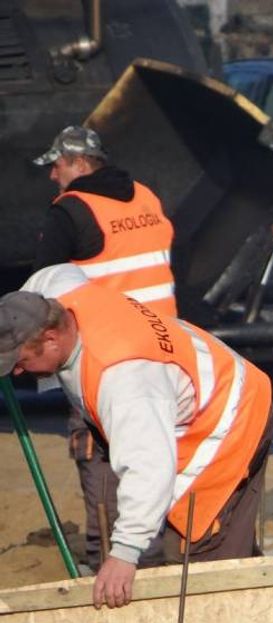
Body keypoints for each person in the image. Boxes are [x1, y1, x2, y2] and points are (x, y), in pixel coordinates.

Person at [0, 277, 273, 609]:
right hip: (183, 384)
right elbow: (41, 280)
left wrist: (124, 555)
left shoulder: (124, 379)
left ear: (52, 337)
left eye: (22, 360)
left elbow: (150, 467)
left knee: (195, 553)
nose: (17, 371)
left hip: (229, 414)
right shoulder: (54, 288)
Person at [33, 125, 178, 571]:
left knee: (100, 457)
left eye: (57, 164)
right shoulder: (146, 197)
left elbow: (41, 297)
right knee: (161, 452)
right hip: (167, 347)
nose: (53, 174)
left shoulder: (72, 211)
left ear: (79, 163)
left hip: (106, 356)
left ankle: (111, 559)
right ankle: (163, 548)